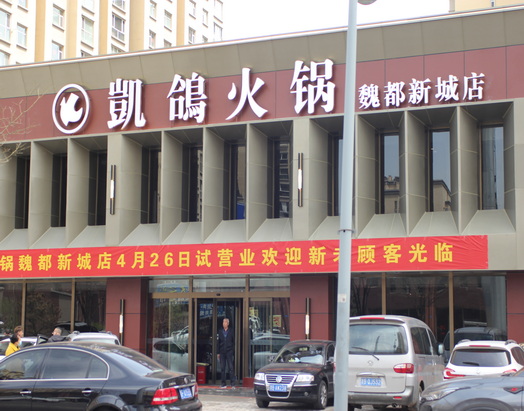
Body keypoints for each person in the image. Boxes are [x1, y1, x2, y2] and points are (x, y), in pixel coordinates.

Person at [217, 317, 236, 388]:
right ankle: (223, 383)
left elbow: (233, 341)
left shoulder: (231, 331)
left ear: (228, 323)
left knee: (231, 368)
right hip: (222, 352)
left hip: (229, 351)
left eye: (225, 322)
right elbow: (218, 342)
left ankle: (232, 383)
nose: (224, 323)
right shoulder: (220, 331)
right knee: (222, 368)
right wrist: (218, 352)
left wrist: (232, 350)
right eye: (223, 322)